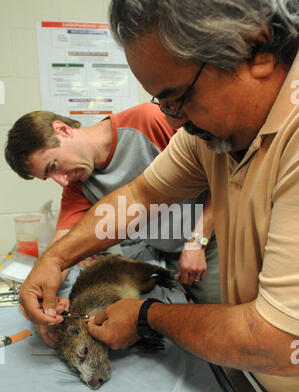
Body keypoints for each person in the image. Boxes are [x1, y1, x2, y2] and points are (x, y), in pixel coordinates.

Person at [15, 0, 299, 392]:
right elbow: (141, 196)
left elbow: (278, 340)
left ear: (256, 50)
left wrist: (148, 316)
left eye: (178, 98)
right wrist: (54, 260)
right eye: (160, 103)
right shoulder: (206, 136)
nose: (172, 120)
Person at [5, 103, 221, 300]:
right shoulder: (77, 184)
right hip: (168, 252)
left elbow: (219, 176)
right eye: (49, 177)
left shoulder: (147, 121)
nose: (61, 181)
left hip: (210, 238)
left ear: (62, 129)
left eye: (53, 166)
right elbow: (64, 244)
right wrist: (41, 288)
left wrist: (197, 241)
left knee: (219, 313)